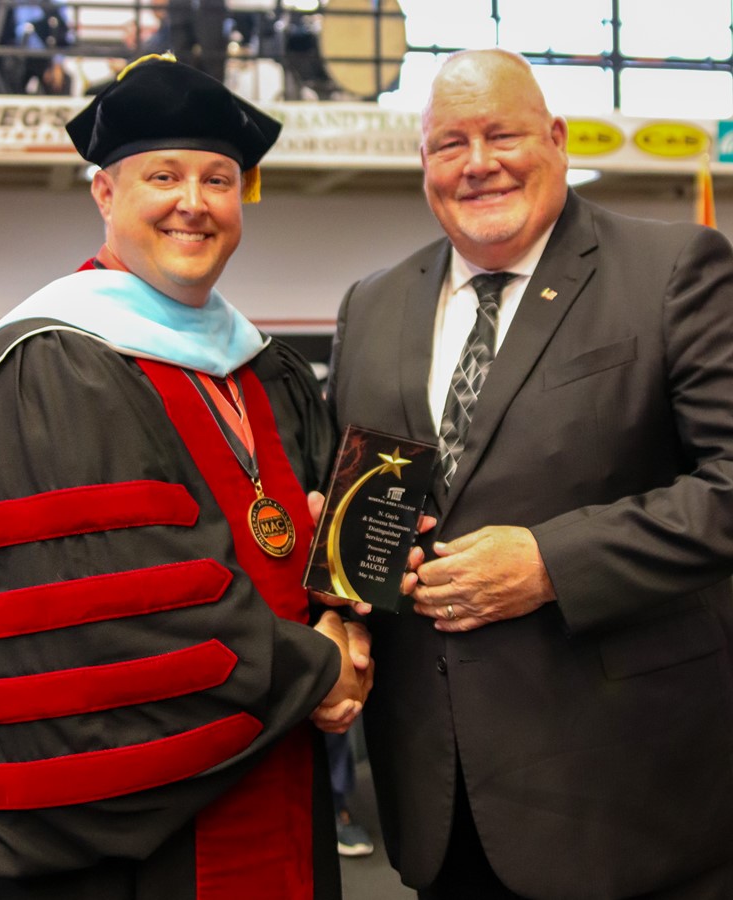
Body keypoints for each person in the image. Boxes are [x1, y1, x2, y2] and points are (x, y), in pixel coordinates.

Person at [0, 53, 372, 899]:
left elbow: (312, 528)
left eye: (219, 180)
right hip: (138, 842)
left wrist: (349, 617)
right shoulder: (53, 364)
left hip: (280, 774)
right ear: (105, 193)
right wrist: (316, 670)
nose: (194, 203)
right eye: (164, 176)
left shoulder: (268, 369)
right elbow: (114, 607)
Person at [327, 47, 733, 899]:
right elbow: (361, 498)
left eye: (502, 134)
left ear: (555, 137)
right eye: (450, 144)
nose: (478, 163)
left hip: (624, 793)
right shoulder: (372, 303)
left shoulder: (671, 270)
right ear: (424, 161)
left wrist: (553, 564)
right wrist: (339, 608)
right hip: (437, 795)